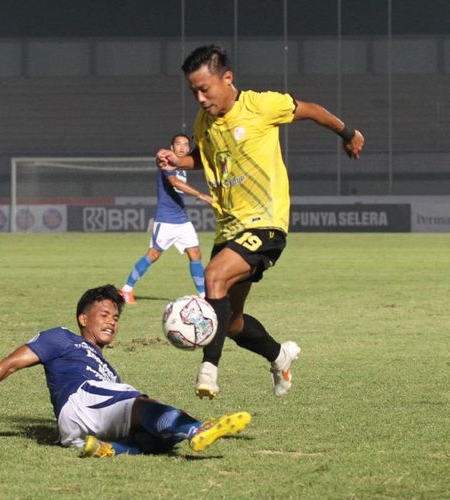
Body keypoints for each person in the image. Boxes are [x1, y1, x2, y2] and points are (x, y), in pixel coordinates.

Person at [156, 45, 365, 399]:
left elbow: (311, 110)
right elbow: (206, 161)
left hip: (265, 223)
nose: (200, 97)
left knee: (213, 277)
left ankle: (208, 370)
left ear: (227, 78)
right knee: (233, 322)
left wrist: (348, 134)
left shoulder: (261, 105)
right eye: (194, 91)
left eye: (205, 88)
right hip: (228, 228)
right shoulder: (203, 123)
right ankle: (279, 356)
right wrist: (176, 161)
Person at [0, 284, 251, 457]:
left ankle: (109, 449)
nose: (111, 322)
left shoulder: (107, 370)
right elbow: (8, 364)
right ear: (82, 319)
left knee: (159, 437)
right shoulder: (61, 338)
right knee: (140, 404)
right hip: (81, 398)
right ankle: (197, 429)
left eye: (116, 318)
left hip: (79, 428)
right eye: (104, 314)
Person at [120, 134, 213, 304]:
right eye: (178, 144)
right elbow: (175, 182)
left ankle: (203, 295)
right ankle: (126, 289)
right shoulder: (166, 163)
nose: (183, 147)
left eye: (186, 144)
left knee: (195, 253)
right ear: (172, 147)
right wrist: (201, 194)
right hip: (166, 220)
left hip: (182, 220)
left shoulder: (183, 166)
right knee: (153, 255)